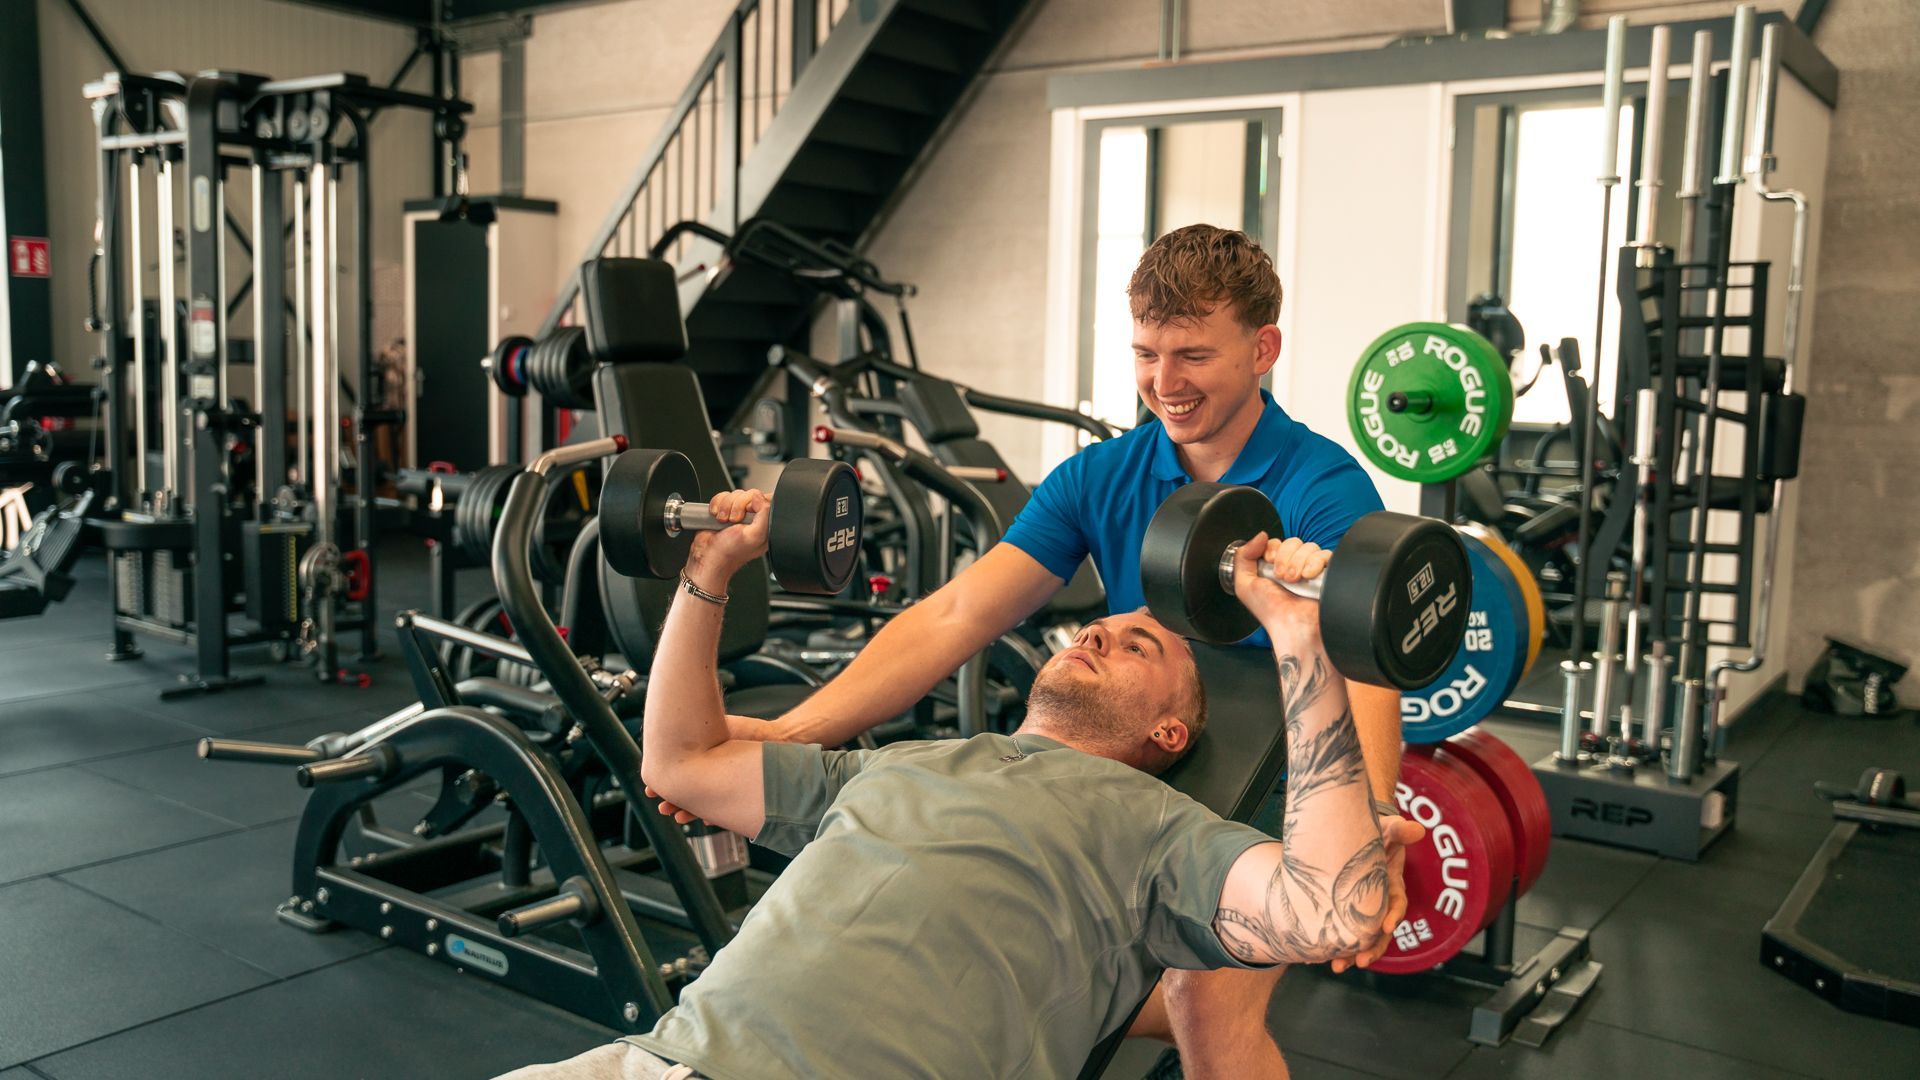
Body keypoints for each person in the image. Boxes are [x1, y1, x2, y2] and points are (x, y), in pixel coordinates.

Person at [663, 224, 1413, 1077]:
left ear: (1263, 347)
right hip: (1123, 766)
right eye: (1145, 353)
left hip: (1274, 774)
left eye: (1193, 355)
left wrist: (1374, 822)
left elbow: (1362, 670)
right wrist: (794, 732)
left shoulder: (1323, 487)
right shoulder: (1099, 476)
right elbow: (954, 618)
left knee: (1209, 1001)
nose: (1163, 384)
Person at [499, 489, 1412, 1080]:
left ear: (1169, 731)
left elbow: (1333, 912)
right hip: (658, 1061)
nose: (1095, 635)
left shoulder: (1166, 831)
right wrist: (710, 572)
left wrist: (1301, 640)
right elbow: (679, 763)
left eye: (1141, 645)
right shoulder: (904, 763)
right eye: (1096, 628)